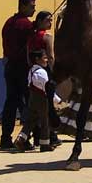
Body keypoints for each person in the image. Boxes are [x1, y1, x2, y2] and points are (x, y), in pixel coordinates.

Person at [0, 0, 36, 149]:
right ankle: (26, 138)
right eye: (32, 6)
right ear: (23, 6)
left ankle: (5, 137)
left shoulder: (8, 23)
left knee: (11, 102)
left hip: (10, 66)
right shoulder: (27, 25)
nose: (34, 9)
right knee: (30, 103)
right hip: (23, 68)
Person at [25, 11, 61, 150]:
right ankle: (49, 138)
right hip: (45, 73)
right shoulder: (47, 37)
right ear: (40, 21)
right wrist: (53, 73)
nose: (50, 23)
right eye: (48, 20)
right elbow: (51, 56)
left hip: (32, 72)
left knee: (34, 108)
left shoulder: (31, 37)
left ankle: (36, 136)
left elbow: (28, 56)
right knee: (48, 107)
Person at [14, 49, 59, 151]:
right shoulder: (42, 72)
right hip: (42, 99)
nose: (47, 60)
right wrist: (58, 100)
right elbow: (48, 88)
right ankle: (45, 144)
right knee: (45, 121)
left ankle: (20, 139)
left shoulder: (31, 71)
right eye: (44, 58)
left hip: (32, 99)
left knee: (31, 120)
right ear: (37, 59)